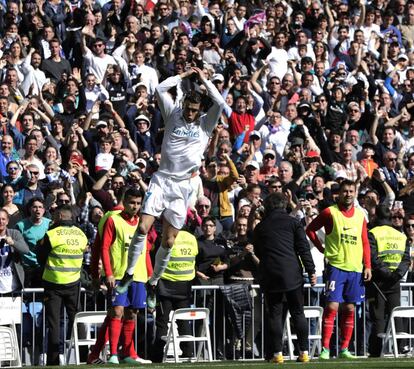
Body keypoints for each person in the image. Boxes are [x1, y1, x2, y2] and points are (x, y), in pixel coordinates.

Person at [117, 67, 225, 301]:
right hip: (162, 179)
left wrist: (204, 79)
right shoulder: (173, 113)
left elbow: (220, 100)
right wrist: (184, 76)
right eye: (188, 108)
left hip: (183, 187)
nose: (189, 113)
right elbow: (159, 88)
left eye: (194, 110)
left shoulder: (206, 125)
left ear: (200, 111)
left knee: (169, 240)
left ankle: (154, 282)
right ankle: (128, 273)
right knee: (143, 228)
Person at [306, 180, 372, 360]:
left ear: (355, 193)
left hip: (356, 268)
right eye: (345, 191)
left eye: (351, 191)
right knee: (332, 306)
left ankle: (344, 349)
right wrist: (321, 249)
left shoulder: (360, 215)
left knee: (350, 308)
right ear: (339, 194)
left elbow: (365, 242)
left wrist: (368, 265)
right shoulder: (330, 212)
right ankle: (325, 349)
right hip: (336, 267)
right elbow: (310, 229)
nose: (348, 194)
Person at [254, 193, 316, 364]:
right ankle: (304, 352)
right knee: (298, 312)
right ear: (284, 205)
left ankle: (277, 354)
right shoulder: (293, 223)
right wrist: (311, 271)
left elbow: (258, 251)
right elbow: (303, 249)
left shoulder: (261, 227)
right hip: (292, 274)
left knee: (274, 314)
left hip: (271, 274)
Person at [99, 187, 152, 364]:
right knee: (117, 311)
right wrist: (108, 273)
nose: (135, 206)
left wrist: (152, 278)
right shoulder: (113, 220)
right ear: (124, 201)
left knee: (132, 314)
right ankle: (113, 353)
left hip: (139, 276)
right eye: (131, 202)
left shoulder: (143, 223)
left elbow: (146, 253)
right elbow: (104, 247)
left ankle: (128, 354)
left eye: (138, 203)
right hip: (120, 275)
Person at [35, 205, 88, 366]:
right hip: (73, 283)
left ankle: (54, 360)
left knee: (54, 323)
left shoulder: (52, 234)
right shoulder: (81, 235)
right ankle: (84, 357)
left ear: (59, 216)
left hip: (53, 283)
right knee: (76, 320)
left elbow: (40, 256)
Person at [368, 205, 410, 357]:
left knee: (378, 317)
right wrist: (396, 275)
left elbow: (373, 257)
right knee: (396, 314)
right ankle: (400, 349)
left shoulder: (372, 233)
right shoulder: (401, 235)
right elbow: (406, 259)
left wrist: (385, 273)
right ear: (390, 217)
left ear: (376, 217)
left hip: (378, 281)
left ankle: (376, 351)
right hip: (395, 281)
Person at [151, 229, 198, 362]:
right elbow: (195, 256)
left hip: (165, 285)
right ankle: (188, 353)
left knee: (162, 323)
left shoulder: (166, 236)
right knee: (184, 321)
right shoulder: (191, 238)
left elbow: (156, 257)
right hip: (184, 286)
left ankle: (157, 356)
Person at [0, 208, 29, 294]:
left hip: (13, 287)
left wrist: (13, 242)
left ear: (7, 221)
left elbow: (25, 250)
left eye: (3, 219)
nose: (1, 221)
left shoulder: (14, 233)